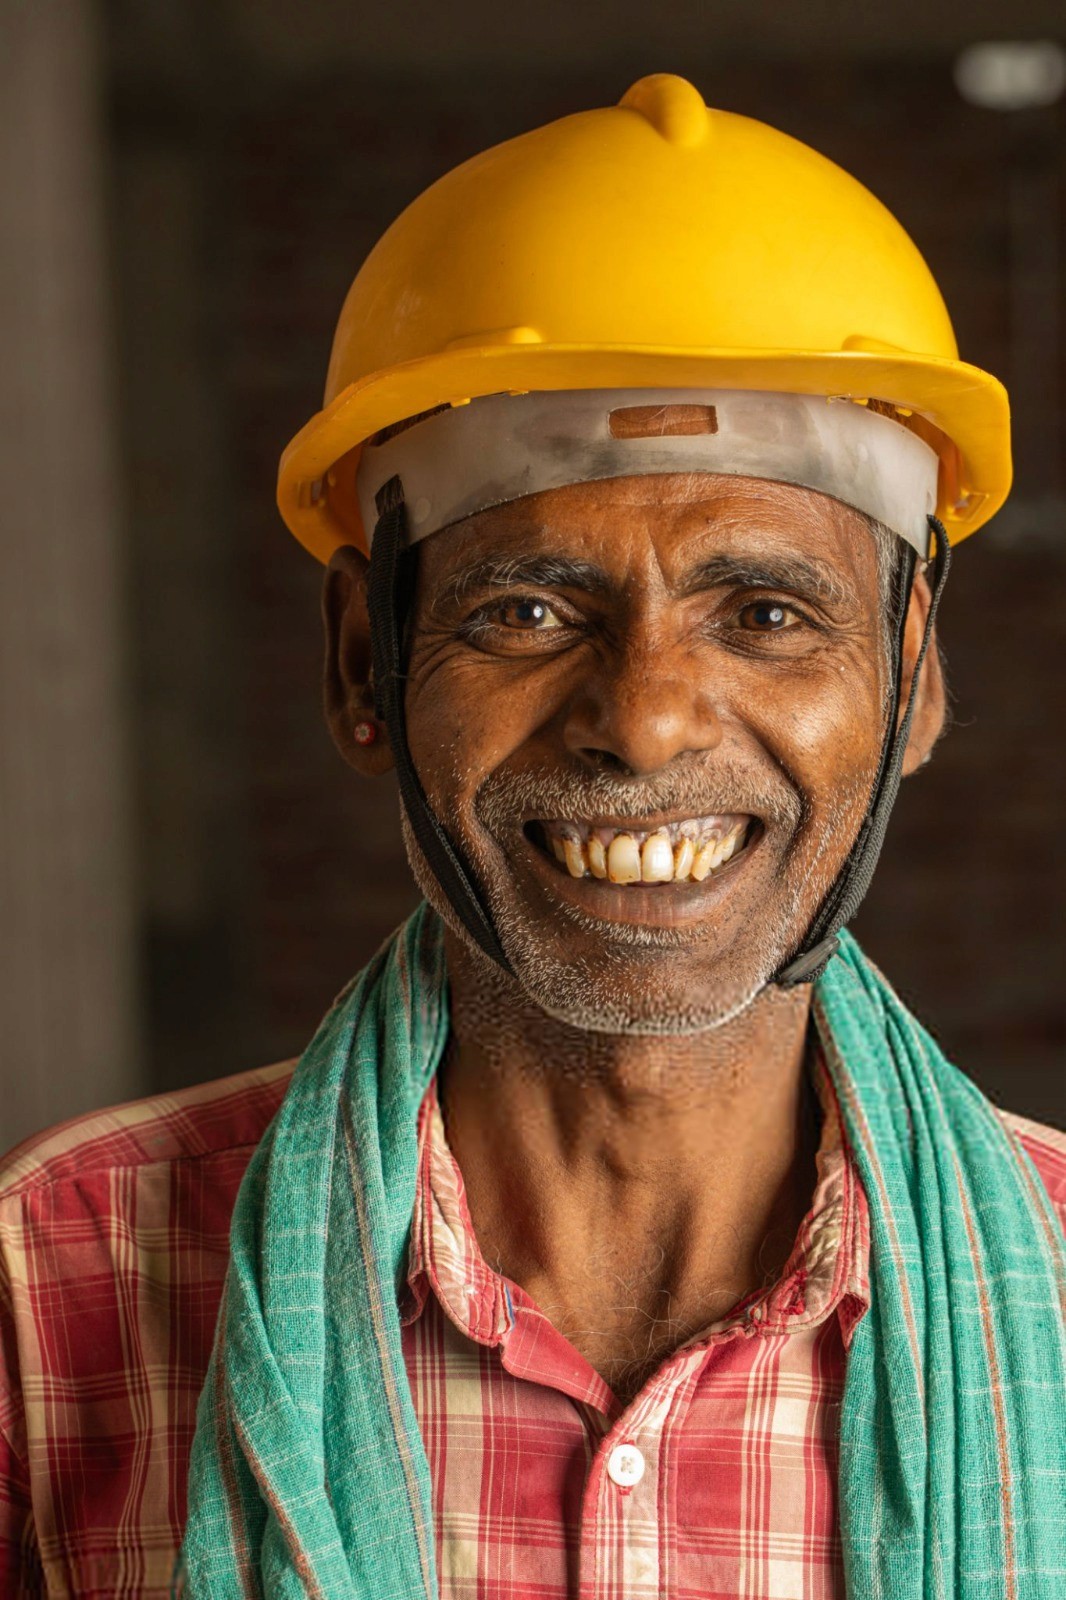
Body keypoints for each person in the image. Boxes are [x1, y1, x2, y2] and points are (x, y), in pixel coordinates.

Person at [0, 74, 1063, 1599]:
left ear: (912, 675)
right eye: (527, 611)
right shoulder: (58, 1279)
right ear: (365, 663)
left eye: (764, 614)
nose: (643, 721)